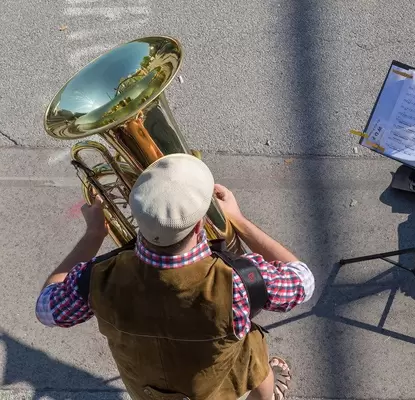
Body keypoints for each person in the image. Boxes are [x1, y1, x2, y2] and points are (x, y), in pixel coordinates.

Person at [35, 154, 315, 400]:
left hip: (147, 386)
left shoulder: (95, 277)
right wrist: (238, 220)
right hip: (218, 382)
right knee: (256, 365)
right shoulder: (240, 281)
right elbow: (303, 279)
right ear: (198, 226)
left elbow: (46, 309)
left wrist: (93, 235)